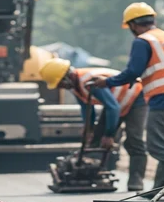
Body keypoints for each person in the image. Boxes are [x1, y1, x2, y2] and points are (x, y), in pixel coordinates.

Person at [92, 2, 164, 201]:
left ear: (132, 25)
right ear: (153, 19)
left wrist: (107, 82)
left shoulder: (143, 41)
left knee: (157, 146)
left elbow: (133, 71)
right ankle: (158, 189)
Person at [40, 58, 148, 191]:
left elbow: (113, 108)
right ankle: (92, 173)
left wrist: (109, 135)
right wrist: (88, 130)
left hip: (135, 98)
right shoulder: (75, 86)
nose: (61, 88)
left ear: (66, 77)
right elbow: (87, 108)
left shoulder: (89, 81)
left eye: (60, 84)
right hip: (115, 103)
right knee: (95, 139)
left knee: (134, 140)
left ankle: (136, 181)